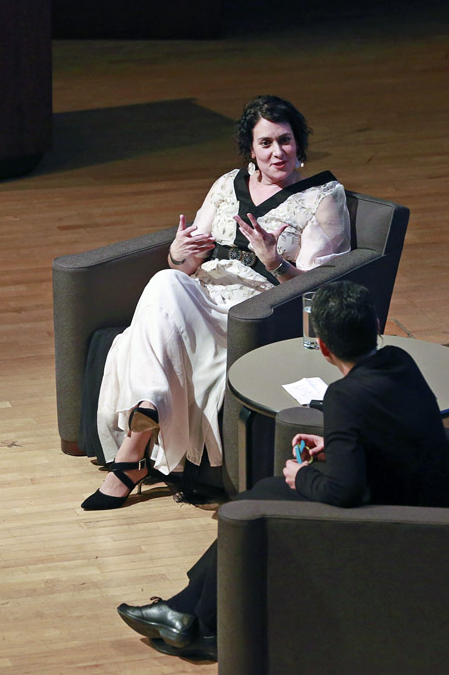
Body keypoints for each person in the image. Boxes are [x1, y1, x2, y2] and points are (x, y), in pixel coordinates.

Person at [115, 281, 449, 660]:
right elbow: (395, 427)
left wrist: (301, 476)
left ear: (323, 348)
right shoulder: (399, 361)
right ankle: (188, 612)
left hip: (391, 522)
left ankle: (195, 620)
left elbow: (344, 492)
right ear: (375, 326)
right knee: (254, 500)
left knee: (255, 507)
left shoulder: (344, 396)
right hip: (419, 499)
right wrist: (337, 444)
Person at [82, 96, 352, 510]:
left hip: (252, 313)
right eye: (265, 143)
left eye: (285, 140)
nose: (277, 152)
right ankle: (148, 407)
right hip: (201, 297)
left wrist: (275, 262)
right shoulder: (228, 184)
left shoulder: (322, 197)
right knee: (166, 279)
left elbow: (320, 289)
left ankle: (131, 455)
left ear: (299, 144)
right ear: (251, 150)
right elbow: (187, 262)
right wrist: (178, 254)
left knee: (159, 303)